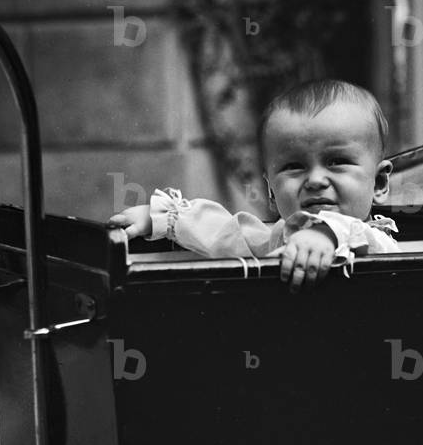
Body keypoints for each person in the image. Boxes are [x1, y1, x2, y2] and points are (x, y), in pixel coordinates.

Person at [110, 79, 400, 293]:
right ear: (271, 191)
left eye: (337, 161)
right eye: (294, 166)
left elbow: (353, 236)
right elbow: (223, 232)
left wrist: (324, 236)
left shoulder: (378, 243)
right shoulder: (275, 240)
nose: (314, 180)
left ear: (379, 182)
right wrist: (161, 218)